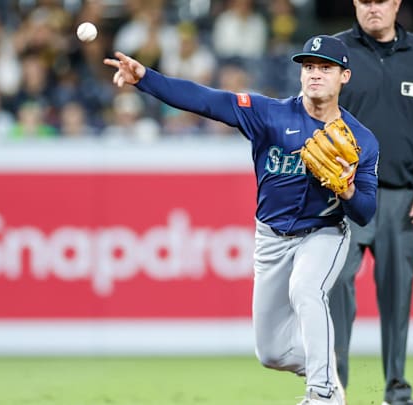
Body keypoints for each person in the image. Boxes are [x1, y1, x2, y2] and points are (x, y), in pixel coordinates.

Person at [104, 34, 379, 405]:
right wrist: (146, 79)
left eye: (325, 68)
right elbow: (208, 101)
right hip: (271, 238)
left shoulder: (361, 139)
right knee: (271, 353)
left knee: (306, 289)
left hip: (324, 233)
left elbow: (365, 211)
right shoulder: (270, 113)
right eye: (309, 67)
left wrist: (346, 190)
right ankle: (325, 373)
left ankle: (323, 393)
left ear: (344, 76)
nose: (315, 74)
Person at [328, 1, 413, 404]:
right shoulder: (334, 51)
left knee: (398, 296)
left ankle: (396, 390)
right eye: (365, 0)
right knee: (335, 291)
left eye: (380, 0)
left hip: (402, 197)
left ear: (397, 3)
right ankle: (331, 388)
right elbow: (310, 113)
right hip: (344, 197)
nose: (373, 8)